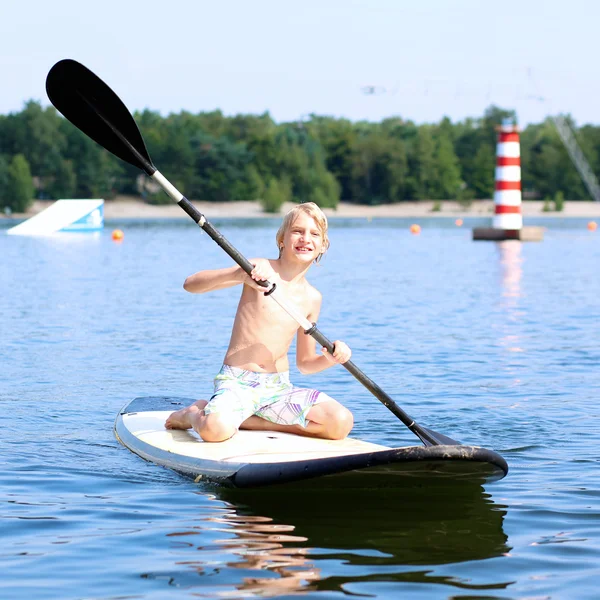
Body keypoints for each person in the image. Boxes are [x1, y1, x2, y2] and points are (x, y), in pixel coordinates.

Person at [165, 202, 354, 442]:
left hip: (278, 388)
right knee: (215, 430)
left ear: (322, 246)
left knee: (340, 423)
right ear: (282, 240)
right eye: (297, 231)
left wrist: (330, 359)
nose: (305, 238)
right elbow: (190, 284)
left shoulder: (313, 298)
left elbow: (305, 364)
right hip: (238, 382)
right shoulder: (260, 268)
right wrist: (238, 275)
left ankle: (249, 422)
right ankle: (194, 414)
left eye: (314, 234)